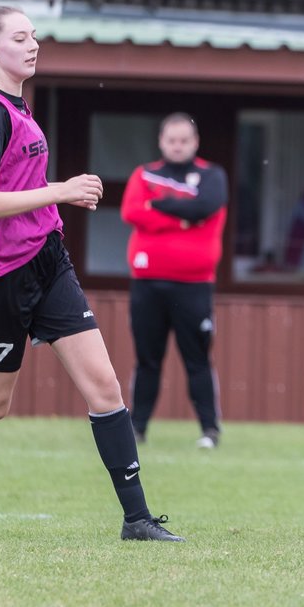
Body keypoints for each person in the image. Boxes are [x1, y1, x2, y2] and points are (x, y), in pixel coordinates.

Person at [0, 5, 183, 541]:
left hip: (47, 262)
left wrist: (52, 203)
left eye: (34, 35)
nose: (33, 44)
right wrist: (61, 189)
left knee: (105, 386)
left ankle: (137, 519)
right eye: (20, 37)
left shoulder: (19, 105)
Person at [120, 113, 228, 449]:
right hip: (147, 283)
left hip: (194, 285)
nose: (177, 146)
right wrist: (182, 218)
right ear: (161, 141)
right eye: (171, 140)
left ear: (195, 142)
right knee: (147, 359)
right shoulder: (144, 174)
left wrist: (160, 206)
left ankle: (209, 431)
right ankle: (137, 428)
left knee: (197, 359)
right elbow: (132, 212)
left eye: (184, 140)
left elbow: (207, 208)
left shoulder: (212, 175)